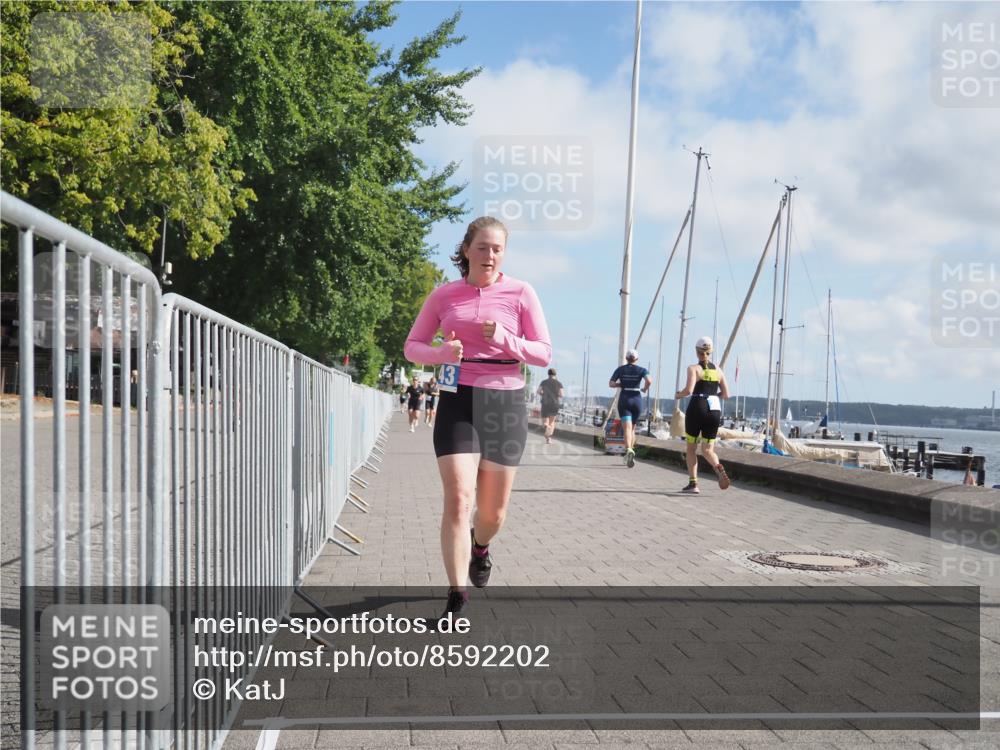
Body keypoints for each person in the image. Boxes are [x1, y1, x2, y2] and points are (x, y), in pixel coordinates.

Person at [404, 216, 551, 620]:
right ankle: (457, 595)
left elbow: (543, 353)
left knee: (492, 513)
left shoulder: (521, 293)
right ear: (466, 249)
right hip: (458, 399)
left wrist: (505, 339)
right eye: (483, 247)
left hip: (504, 403)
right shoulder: (444, 296)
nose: (490, 255)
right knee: (458, 498)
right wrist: (439, 354)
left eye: (498, 249)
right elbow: (412, 346)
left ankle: (480, 547)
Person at [674, 336, 731, 493]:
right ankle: (717, 467)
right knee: (708, 449)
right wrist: (714, 396)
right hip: (714, 409)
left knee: (691, 448)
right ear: (710, 352)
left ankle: (693, 484)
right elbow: (726, 394)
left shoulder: (694, 369)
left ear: (697, 352)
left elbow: (689, 390)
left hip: (697, 407)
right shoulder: (719, 370)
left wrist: (678, 395)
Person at [609, 349, 651, 468]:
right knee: (632, 429)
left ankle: (628, 450)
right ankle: (631, 450)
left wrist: (619, 384)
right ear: (636, 359)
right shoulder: (642, 370)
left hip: (625, 399)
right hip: (637, 399)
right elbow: (649, 380)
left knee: (626, 429)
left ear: (626, 358)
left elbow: (611, 384)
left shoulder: (620, 369)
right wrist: (645, 389)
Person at [537, 369, 563, 444]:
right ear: (555, 374)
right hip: (555, 404)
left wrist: (543, 394)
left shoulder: (544, 382)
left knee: (545, 423)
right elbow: (561, 394)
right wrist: (555, 395)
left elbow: (538, 391)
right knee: (552, 423)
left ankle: (546, 428)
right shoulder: (559, 383)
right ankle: (549, 439)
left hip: (545, 404)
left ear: (548, 374)